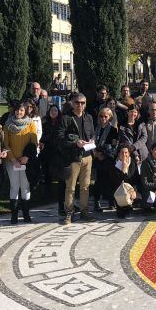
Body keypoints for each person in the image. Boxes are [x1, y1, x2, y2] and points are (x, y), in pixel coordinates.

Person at [59, 93, 96, 224]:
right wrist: (75, 143)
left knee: (85, 187)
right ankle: (69, 213)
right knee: (70, 187)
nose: (80, 105)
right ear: (73, 103)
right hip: (73, 158)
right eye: (77, 103)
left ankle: (84, 211)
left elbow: (92, 133)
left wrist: (92, 139)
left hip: (87, 157)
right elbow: (60, 137)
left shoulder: (89, 117)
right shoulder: (66, 118)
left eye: (83, 103)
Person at [3, 102, 38, 224]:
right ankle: (14, 215)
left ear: (25, 111)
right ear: (14, 111)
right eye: (17, 110)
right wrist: (12, 159)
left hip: (25, 162)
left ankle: (26, 215)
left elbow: (34, 142)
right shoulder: (7, 125)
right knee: (14, 186)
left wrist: (26, 157)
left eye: (22, 110)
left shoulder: (30, 124)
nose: (19, 112)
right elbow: (5, 144)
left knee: (25, 187)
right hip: (12, 161)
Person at [40, 104, 68, 216]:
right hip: (48, 152)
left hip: (60, 153)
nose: (54, 112)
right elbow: (42, 137)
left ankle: (63, 203)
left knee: (62, 178)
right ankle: (48, 193)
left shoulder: (62, 122)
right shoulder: (45, 123)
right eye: (52, 110)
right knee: (48, 174)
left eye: (56, 110)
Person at [91, 107, 119, 211]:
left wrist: (105, 154)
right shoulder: (95, 128)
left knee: (110, 181)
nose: (103, 118)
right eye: (101, 116)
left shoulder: (113, 130)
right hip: (97, 158)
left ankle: (111, 201)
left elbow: (114, 145)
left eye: (105, 117)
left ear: (110, 118)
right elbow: (91, 142)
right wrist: (96, 153)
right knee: (98, 181)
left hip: (108, 158)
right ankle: (96, 202)